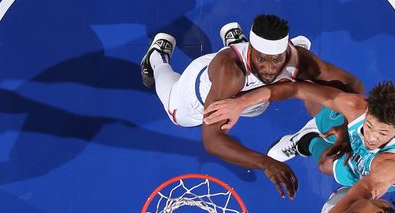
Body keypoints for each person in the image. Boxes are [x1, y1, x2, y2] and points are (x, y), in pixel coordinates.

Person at [140, 14, 364, 199]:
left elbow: (352, 84)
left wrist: (346, 125)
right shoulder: (231, 73)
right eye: (262, 60)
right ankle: (157, 59)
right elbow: (211, 140)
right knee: (174, 112)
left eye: (276, 60)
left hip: (252, 100)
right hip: (199, 95)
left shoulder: (298, 59)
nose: (269, 69)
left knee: (272, 99)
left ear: (286, 50)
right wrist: (266, 163)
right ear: (252, 52)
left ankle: (236, 42)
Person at [203, 80, 395, 213]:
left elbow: (367, 188)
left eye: (382, 133)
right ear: (367, 112)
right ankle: (303, 141)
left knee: (326, 165)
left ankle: (308, 140)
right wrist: (240, 103)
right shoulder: (356, 107)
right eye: (369, 126)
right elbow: (297, 89)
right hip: (347, 135)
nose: (372, 137)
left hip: (370, 175)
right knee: (321, 107)